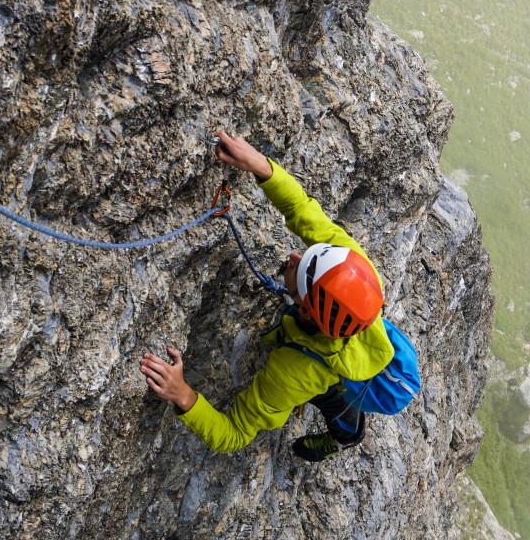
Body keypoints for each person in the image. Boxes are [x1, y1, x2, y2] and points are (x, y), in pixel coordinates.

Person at [139, 132, 394, 461]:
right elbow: (302, 209)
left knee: (335, 402)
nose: (294, 257)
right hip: (344, 339)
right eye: (307, 255)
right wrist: (261, 167)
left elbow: (234, 434)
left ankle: (345, 438)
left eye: (300, 274)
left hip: (321, 368)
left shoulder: (294, 376)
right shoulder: (353, 267)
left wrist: (183, 395)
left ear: (303, 310)